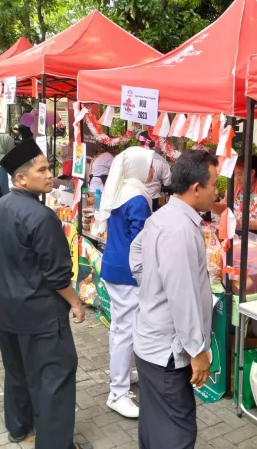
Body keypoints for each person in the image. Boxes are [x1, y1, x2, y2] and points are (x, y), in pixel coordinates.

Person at [0, 139, 91, 449]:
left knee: (18, 371)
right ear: (21, 178)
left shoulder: (3, 205)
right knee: (54, 378)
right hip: (41, 314)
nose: (50, 174)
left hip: (9, 307)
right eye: (42, 169)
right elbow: (57, 275)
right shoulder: (41, 217)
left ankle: (19, 426)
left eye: (49, 168)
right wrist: (75, 302)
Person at [129, 149, 218, 449]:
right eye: (214, 184)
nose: (217, 192)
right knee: (177, 432)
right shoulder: (179, 228)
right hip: (167, 353)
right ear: (196, 189)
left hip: (152, 343)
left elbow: (136, 257)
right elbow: (182, 295)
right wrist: (197, 350)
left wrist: (151, 286)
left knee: (155, 425)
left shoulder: (164, 215)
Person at [96, 147, 154, 418]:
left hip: (113, 265)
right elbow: (141, 242)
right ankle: (117, 392)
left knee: (119, 327)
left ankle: (121, 377)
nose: (152, 170)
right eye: (149, 165)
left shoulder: (120, 189)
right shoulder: (138, 198)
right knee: (126, 331)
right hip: (127, 272)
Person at [212, 154, 257, 249]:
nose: (237, 179)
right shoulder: (235, 186)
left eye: (240, 174)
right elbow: (225, 206)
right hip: (235, 238)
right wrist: (212, 205)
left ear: (252, 173)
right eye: (236, 174)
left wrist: (242, 223)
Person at [137, 131, 172, 211]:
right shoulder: (161, 160)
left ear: (140, 143)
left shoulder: (133, 158)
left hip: (134, 198)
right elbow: (167, 182)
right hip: (154, 199)